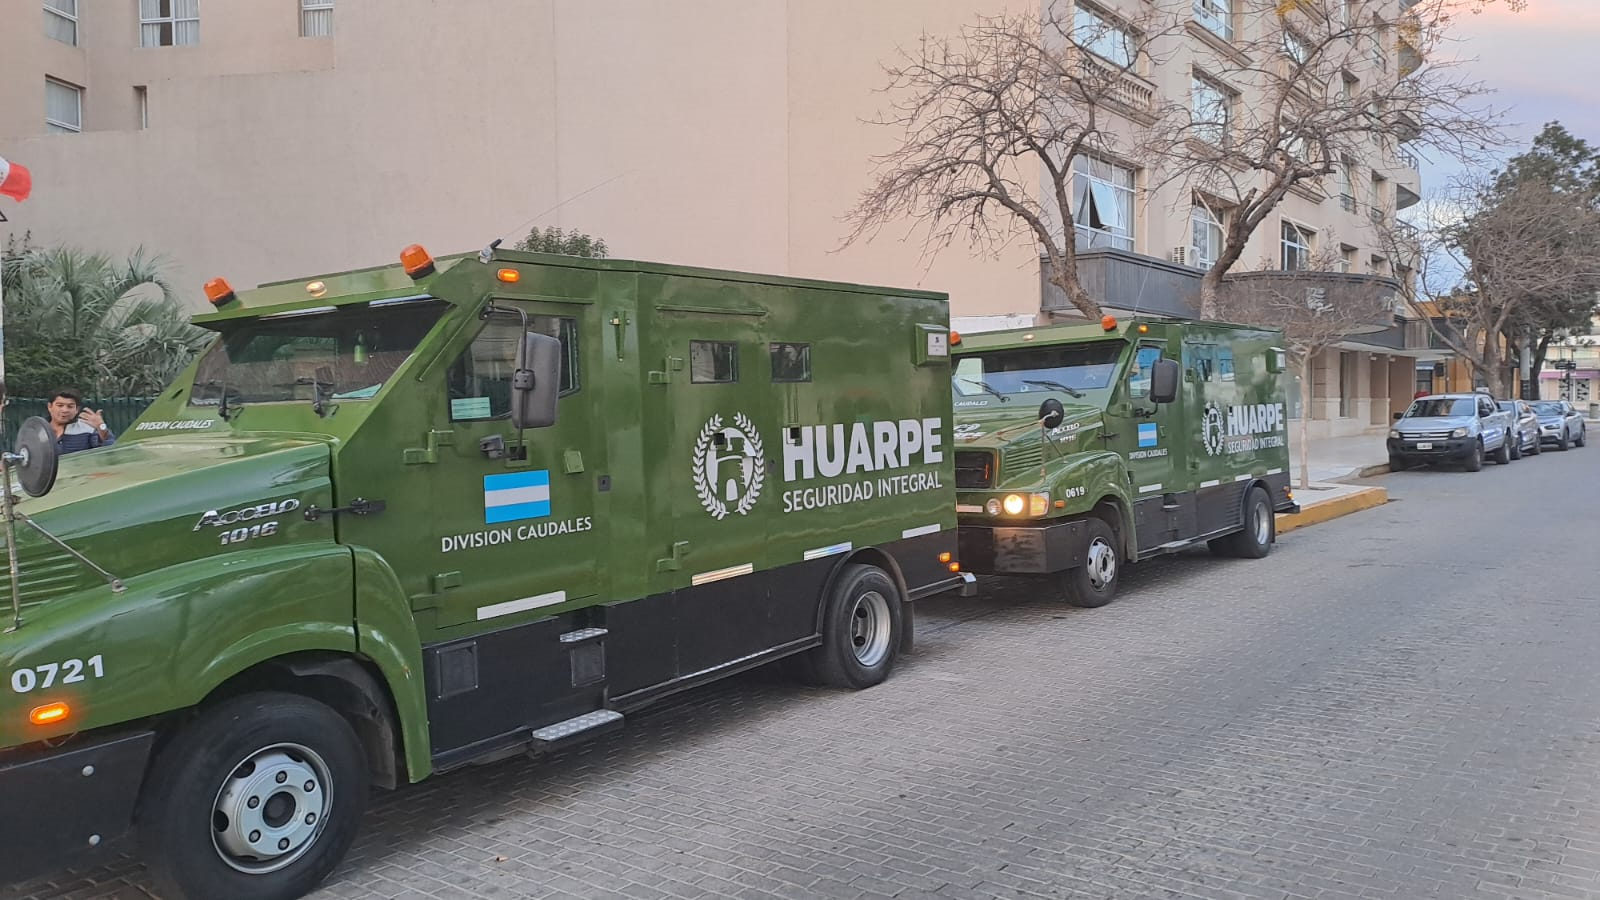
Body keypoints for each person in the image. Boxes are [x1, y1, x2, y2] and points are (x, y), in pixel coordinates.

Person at [45, 388, 115, 454]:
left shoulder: (87, 429)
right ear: (50, 407)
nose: (65, 410)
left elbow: (109, 451)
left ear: (77, 409)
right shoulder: (40, 429)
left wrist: (101, 427)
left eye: (70, 406)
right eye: (60, 405)